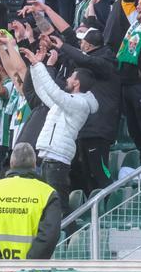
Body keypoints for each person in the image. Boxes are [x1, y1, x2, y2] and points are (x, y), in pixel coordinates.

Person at [0, 142, 62, 260]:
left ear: (11, 164)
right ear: (34, 164)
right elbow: (50, 235)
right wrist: (27, 265)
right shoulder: (48, 193)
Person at [27, 55, 98, 200]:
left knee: (58, 205)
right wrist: (35, 67)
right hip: (48, 159)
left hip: (57, 161)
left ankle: (69, 224)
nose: (67, 79)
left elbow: (55, 92)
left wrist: (39, 66)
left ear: (77, 83)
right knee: (48, 205)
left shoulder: (80, 104)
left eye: (71, 77)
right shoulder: (66, 102)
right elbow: (43, 92)